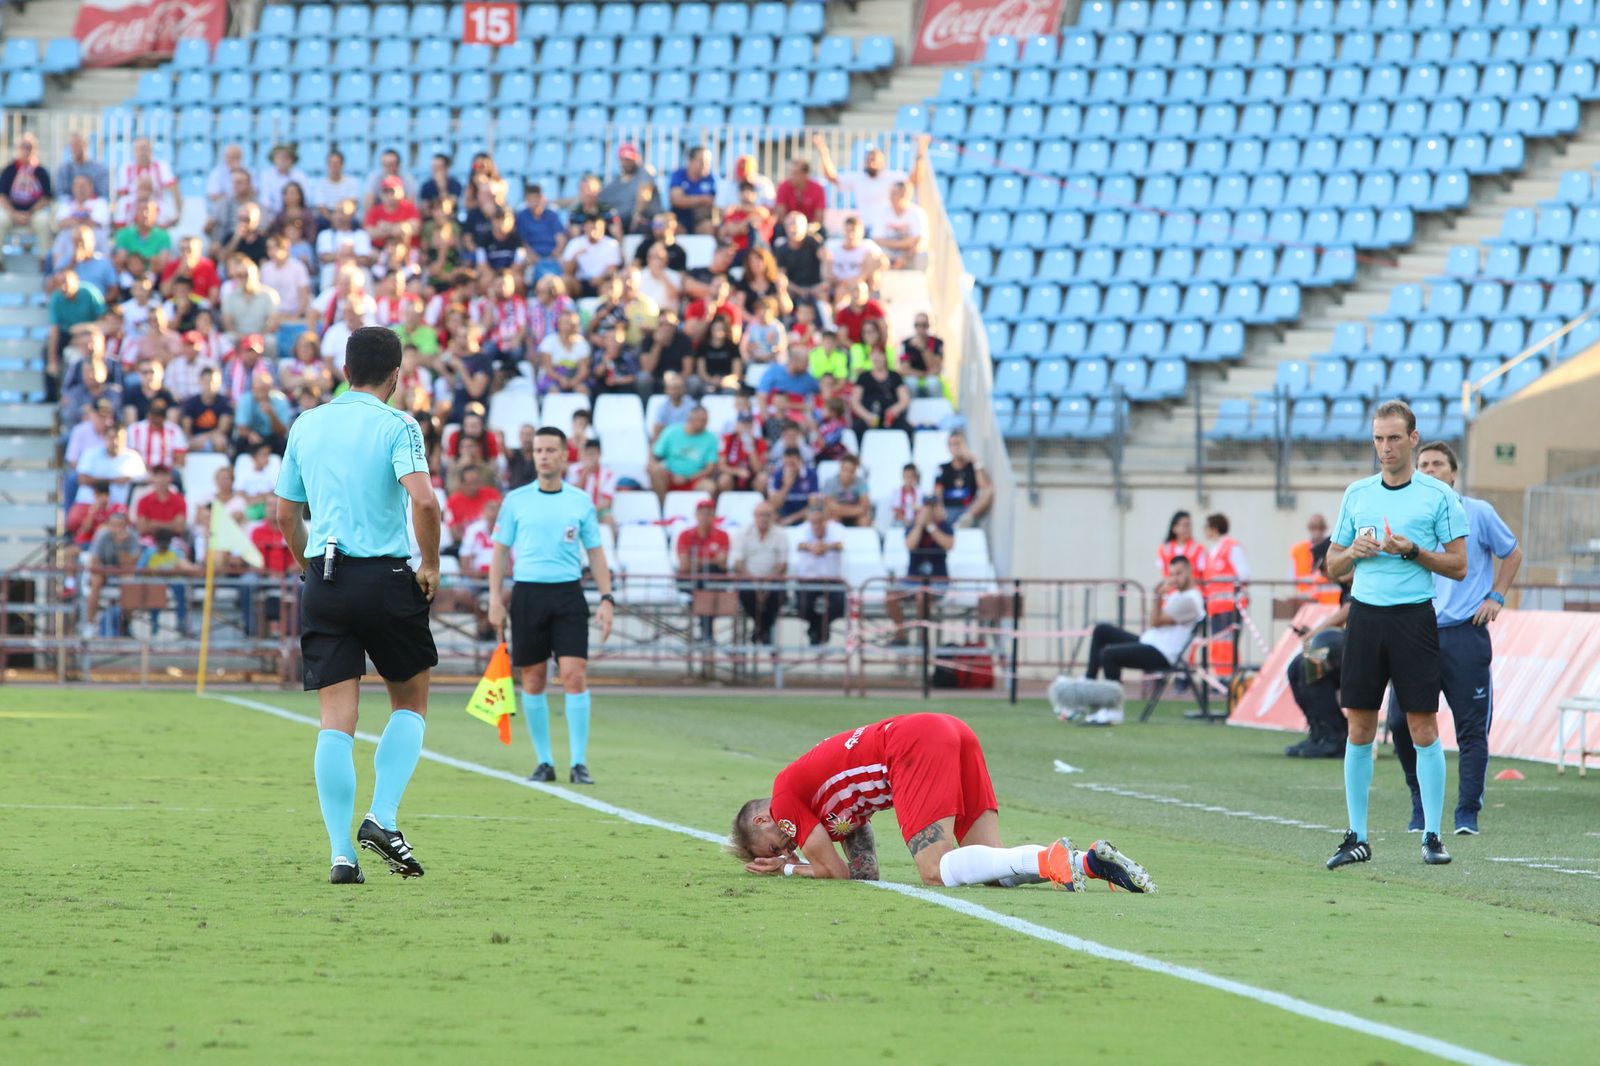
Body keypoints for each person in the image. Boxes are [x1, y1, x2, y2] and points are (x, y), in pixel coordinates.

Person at [273, 326, 443, 885]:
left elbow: (284, 516)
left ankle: (341, 854)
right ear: (396, 375)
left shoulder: (307, 423)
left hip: (325, 577)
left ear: (345, 370)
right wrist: (431, 563)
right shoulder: (398, 425)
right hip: (387, 576)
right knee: (410, 703)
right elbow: (423, 499)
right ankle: (384, 818)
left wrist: (306, 566)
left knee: (334, 723)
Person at [728, 711, 1155, 892]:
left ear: (766, 818)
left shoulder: (784, 800)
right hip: (948, 728)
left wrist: (785, 869)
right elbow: (863, 873)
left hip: (914, 743)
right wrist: (807, 863)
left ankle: (1051, 859)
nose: (788, 846)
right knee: (991, 866)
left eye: (776, 845)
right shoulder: (831, 808)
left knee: (935, 872)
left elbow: (832, 872)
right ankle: (1087, 863)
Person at [1324, 400, 1468, 872]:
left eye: (1392, 438)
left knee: (1422, 726)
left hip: (1413, 619)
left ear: (1413, 439)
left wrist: (1414, 552)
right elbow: (1332, 563)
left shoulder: (1437, 496)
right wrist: (1354, 554)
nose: (1384, 448)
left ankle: (1432, 833)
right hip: (1365, 618)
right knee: (1359, 727)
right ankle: (1357, 836)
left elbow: (1458, 565)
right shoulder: (1358, 493)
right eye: (1377, 439)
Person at [1387, 441, 1523, 837]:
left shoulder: (1477, 512)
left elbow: (1511, 553)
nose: (1428, 470)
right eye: (1423, 464)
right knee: (1399, 722)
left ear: (1452, 474)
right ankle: (1420, 803)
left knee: (1471, 727)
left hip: (1465, 633)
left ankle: (1467, 812)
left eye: (1437, 464)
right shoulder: (1408, 515)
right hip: (1416, 632)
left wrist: (1496, 596)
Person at [487, 425, 615, 786]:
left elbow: (595, 551)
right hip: (528, 594)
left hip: (568, 594)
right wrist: (496, 598)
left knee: (575, 674)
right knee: (533, 677)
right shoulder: (516, 500)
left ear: (563, 456)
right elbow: (499, 552)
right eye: (538, 450)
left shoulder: (579, 501)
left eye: (550, 450)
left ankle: (579, 762)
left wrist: (607, 598)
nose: (543, 455)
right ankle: (544, 761)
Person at [1073, 557, 1207, 725]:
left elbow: (1155, 621)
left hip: (1162, 653)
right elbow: (1155, 621)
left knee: (1109, 654)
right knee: (1102, 630)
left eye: (1179, 573)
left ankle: (1112, 710)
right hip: (1150, 643)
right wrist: (1159, 599)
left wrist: (1158, 597)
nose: (1174, 578)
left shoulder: (1190, 600)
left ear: (1190, 572)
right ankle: (1089, 682)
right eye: (1171, 574)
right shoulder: (1179, 596)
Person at [1285, 552, 1352, 760]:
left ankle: (1337, 735)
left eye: (1325, 567)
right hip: (1353, 650)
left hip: (1372, 650)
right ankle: (1320, 732)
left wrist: (1315, 633)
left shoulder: (1364, 575)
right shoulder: (1344, 588)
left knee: (1314, 660)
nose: (1326, 574)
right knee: (1297, 667)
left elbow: (1350, 611)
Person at [886, 494, 957, 645]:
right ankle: (901, 633)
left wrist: (931, 526)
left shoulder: (944, 525)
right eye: (927, 507)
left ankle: (922, 636)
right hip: (913, 579)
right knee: (891, 593)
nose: (930, 510)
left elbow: (949, 545)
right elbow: (910, 544)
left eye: (933, 507)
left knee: (922, 596)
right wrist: (920, 524)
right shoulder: (913, 526)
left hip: (938, 580)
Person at [1199, 512, 1249, 678]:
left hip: (1230, 605)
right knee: (1219, 644)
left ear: (1214, 528)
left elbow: (1243, 574)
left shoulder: (1231, 546)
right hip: (1216, 606)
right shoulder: (1213, 551)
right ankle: (1221, 677)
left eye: (1206, 528)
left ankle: (1230, 678)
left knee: (1228, 644)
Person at [792, 497, 846, 645]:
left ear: (826, 520)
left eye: (820, 521)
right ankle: (820, 628)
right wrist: (813, 547)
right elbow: (800, 544)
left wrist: (824, 547)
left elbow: (840, 544)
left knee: (840, 605)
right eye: (813, 522)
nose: (816, 525)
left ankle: (817, 628)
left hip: (832, 581)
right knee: (802, 606)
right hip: (807, 580)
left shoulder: (837, 528)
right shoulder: (801, 529)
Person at [732, 499, 786, 645]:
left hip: (772, 579)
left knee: (775, 595)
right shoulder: (743, 533)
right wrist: (754, 582)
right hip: (749, 579)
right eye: (761, 515)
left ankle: (760, 630)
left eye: (767, 515)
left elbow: (782, 564)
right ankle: (764, 630)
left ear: (773, 516)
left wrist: (767, 582)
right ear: (754, 516)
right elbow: (738, 563)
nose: (764, 518)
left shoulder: (780, 535)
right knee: (747, 594)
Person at [676, 498, 730, 642]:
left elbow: (723, 563)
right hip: (694, 581)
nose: (705, 517)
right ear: (696, 515)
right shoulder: (685, 535)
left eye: (709, 513)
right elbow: (684, 566)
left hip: (708, 582)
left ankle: (705, 632)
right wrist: (710, 560)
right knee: (706, 580)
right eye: (702, 513)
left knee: (707, 579)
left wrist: (697, 561)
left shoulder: (722, 535)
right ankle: (707, 633)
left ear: (713, 516)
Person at [84, 509, 142, 637]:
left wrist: (119, 545)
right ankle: (90, 623)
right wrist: (107, 569)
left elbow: (130, 564)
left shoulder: (131, 538)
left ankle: (127, 624)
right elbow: (94, 561)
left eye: (121, 525)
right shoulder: (102, 536)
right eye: (114, 525)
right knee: (96, 581)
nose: (117, 529)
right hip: (103, 571)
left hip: (122, 572)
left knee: (130, 583)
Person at [0, 132, 55, 255]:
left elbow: (46, 197)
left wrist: (29, 213)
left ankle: (43, 260)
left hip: (34, 213)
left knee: (44, 221)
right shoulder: (9, 170)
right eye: (23, 146)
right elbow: (2, 196)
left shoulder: (40, 171)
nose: (25, 150)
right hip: (11, 212)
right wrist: (14, 214)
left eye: (29, 147)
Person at [649, 404, 719, 497]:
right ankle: (663, 508)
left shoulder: (711, 438)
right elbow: (656, 455)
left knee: (710, 487)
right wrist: (669, 474)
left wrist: (688, 478)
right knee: (655, 470)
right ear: (690, 418)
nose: (704, 423)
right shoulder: (672, 431)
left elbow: (709, 468)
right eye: (701, 420)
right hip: (670, 475)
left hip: (694, 479)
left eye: (706, 420)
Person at [936, 430, 993, 527]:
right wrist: (941, 510)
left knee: (989, 491)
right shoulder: (943, 468)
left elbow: (984, 486)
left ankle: (962, 524)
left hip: (968, 511)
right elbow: (937, 492)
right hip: (948, 510)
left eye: (958, 444)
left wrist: (974, 459)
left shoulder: (972, 467)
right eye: (952, 444)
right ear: (948, 448)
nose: (956, 448)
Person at [1290, 513, 1343, 606]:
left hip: (1331, 603)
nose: (1317, 531)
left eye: (1320, 527)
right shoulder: (1299, 550)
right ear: (1309, 528)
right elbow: (1293, 578)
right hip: (1307, 603)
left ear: (1324, 528)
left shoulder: (1332, 547)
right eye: (1314, 527)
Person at [767, 446, 817, 527]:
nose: (790, 467)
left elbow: (814, 504)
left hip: (802, 514)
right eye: (787, 464)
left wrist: (790, 519)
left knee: (814, 514)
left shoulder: (811, 475)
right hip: (783, 513)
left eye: (793, 463)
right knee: (770, 514)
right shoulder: (777, 475)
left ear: (800, 461)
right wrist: (787, 485)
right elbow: (774, 505)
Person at [822, 453, 871, 527]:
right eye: (845, 469)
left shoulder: (862, 483)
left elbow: (864, 507)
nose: (847, 474)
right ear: (840, 468)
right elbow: (829, 506)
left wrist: (840, 509)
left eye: (851, 471)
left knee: (864, 521)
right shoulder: (830, 482)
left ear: (855, 471)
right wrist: (855, 509)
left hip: (855, 517)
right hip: (838, 515)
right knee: (832, 521)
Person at [1157, 510, 1206, 578]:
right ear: (1174, 528)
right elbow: (1163, 574)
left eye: (1189, 525)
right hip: (1171, 588)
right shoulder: (1164, 548)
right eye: (1184, 525)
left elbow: (1203, 574)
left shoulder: (1198, 548)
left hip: (1193, 588)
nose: (1188, 529)